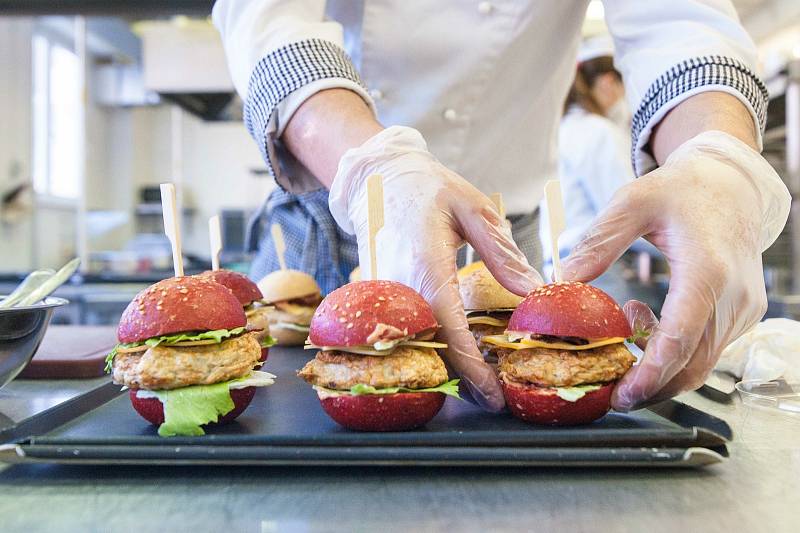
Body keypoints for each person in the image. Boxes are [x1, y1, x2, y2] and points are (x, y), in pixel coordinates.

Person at [212, 1, 791, 413]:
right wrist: (374, 164)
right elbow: (268, 19)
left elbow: (681, 25)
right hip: (328, 212)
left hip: (509, 240)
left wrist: (716, 159)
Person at [539, 37, 661, 311]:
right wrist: (684, 246)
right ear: (608, 82)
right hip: (597, 275)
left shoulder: (561, 130)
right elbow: (629, 212)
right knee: (615, 352)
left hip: (556, 271)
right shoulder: (598, 132)